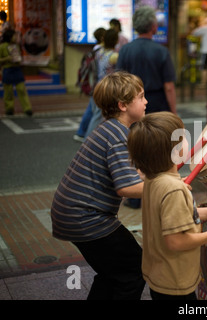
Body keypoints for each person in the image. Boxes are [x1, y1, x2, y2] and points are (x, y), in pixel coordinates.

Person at [51, 71, 146, 300]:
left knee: (112, 273)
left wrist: (150, 176)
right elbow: (125, 188)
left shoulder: (109, 128)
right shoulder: (118, 136)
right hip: (86, 218)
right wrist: (169, 187)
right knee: (133, 270)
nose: (146, 102)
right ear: (123, 105)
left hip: (72, 214)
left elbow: (128, 175)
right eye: (141, 96)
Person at [127, 112, 207, 300]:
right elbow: (175, 241)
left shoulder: (153, 179)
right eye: (182, 137)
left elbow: (164, 218)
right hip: (175, 282)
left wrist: (204, 212)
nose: (186, 140)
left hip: (159, 274)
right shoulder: (174, 189)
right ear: (175, 152)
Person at [116, 6, 176, 115]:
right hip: (158, 105)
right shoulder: (162, 51)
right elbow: (169, 87)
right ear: (153, 26)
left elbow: (119, 82)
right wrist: (173, 112)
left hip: (132, 103)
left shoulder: (125, 50)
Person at [73, 27, 106, 142]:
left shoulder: (93, 52)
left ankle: (81, 132)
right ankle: (87, 139)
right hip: (99, 85)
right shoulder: (100, 52)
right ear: (102, 37)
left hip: (94, 86)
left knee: (92, 110)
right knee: (96, 113)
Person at [0, 28, 32, 116]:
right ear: (9, 37)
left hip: (17, 69)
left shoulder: (16, 46)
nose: (16, 37)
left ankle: (27, 108)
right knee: (8, 91)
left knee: (21, 89)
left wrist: (19, 60)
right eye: (14, 36)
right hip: (7, 69)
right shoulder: (2, 47)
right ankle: (9, 108)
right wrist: (7, 59)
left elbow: (18, 56)